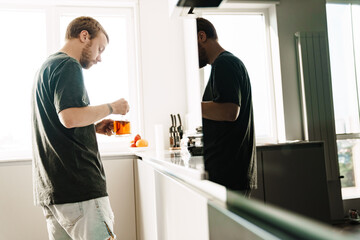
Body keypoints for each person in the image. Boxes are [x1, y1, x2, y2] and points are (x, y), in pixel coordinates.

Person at [31, 16, 129, 240]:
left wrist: (92, 128)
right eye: (99, 48)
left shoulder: (45, 68)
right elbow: (70, 118)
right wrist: (112, 107)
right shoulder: (68, 65)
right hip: (80, 189)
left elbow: (58, 123)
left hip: (53, 190)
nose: (100, 58)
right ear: (84, 36)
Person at [196, 17, 257, 196]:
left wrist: (194, 108)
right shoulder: (224, 64)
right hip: (229, 172)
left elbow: (229, 112)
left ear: (201, 36)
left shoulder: (225, 64)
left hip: (229, 173)